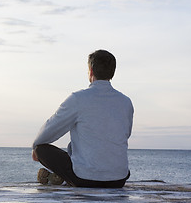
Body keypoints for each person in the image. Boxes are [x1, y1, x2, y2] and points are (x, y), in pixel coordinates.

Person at [32, 50, 134, 188]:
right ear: (112, 72)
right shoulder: (126, 102)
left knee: (41, 149)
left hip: (85, 179)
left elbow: (51, 128)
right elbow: (125, 134)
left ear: (91, 71)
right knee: (75, 147)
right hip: (118, 180)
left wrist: (36, 148)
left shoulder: (78, 99)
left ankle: (57, 175)